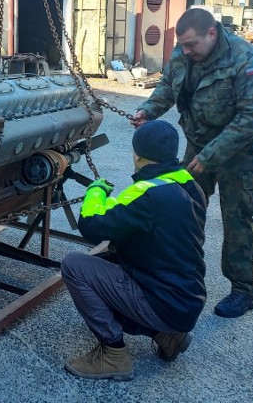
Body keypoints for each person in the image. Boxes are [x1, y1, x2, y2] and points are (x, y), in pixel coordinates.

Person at [132, 7, 253, 318]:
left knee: (237, 217)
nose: (186, 50)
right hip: (198, 145)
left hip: (238, 152)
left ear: (212, 33)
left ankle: (243, 290)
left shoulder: (245, 59)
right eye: (182, 44)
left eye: (191, 44)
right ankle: (178, 276)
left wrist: (210, 156)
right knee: (185, 208)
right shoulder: (184, 54)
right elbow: (167, 87)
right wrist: (148, 111)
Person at [61, 120, 207, 381]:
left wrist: (95, 191)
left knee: (76, 266)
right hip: (187, 299)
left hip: (163, 301)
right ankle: (167, 334)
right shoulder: (190, 186)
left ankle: (113, 356)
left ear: (137, 155)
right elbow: (137, 218)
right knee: (109, 259)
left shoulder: (147, 194)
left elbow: (91, 225)